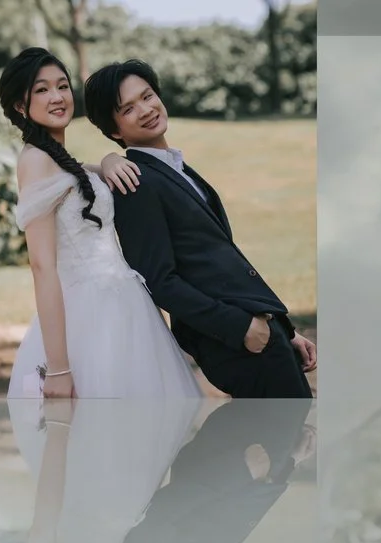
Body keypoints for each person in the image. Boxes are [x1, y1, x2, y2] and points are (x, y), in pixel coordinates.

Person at [81, 59, 317, 398]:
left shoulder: (177, 169)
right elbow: (160, 281)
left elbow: (221, 260)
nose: (146, 109)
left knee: (297, 441)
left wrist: (284, 329)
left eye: (147, 96)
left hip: (264, 334)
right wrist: (241, 328)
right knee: (287, 441)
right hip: (237, 343)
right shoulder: (137, 183)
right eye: (128, 109)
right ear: (114, 130)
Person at [0, 47, 201, 400]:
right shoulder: (34, 160)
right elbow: (42, 267)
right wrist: (59, 369)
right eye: (42, 90)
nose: (58, 97)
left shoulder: (57, 160)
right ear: (20, 106)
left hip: (128, 303)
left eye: (62, 85)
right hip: (91, 314)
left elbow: (76, 175)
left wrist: (107, 162)